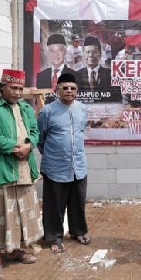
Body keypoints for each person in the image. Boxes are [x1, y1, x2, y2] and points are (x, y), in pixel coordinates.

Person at [0, 69, 43, 280]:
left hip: (25, 166)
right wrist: (16, 148)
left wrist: (30, 145)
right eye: (13, 88)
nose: (16, 92)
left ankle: (15, 251)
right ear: (2, 86)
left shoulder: (25, 107)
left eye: (20, 88)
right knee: (1, 213)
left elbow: (34, 131)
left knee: (21, 212)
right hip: (2, 167)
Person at [37, 73, 92, 253]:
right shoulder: (47, 111)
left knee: (77, 201)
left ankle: (78, 231)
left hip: (78, 166)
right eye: (65, 88)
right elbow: (40, 139)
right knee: (54, 205)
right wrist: (52, 156)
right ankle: (54, 237)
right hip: (55, 167)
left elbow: (80, 132)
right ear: (57, 90)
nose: (69, 91)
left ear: (77, 91)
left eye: (73, 88)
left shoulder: (82, 109)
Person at [77, 36, 120, 103]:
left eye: (94, 52)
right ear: (83, 54)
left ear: (100, 54)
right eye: (87, 52)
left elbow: (117, 99)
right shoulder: (76, 76)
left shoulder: (111, 75)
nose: (91, 55)